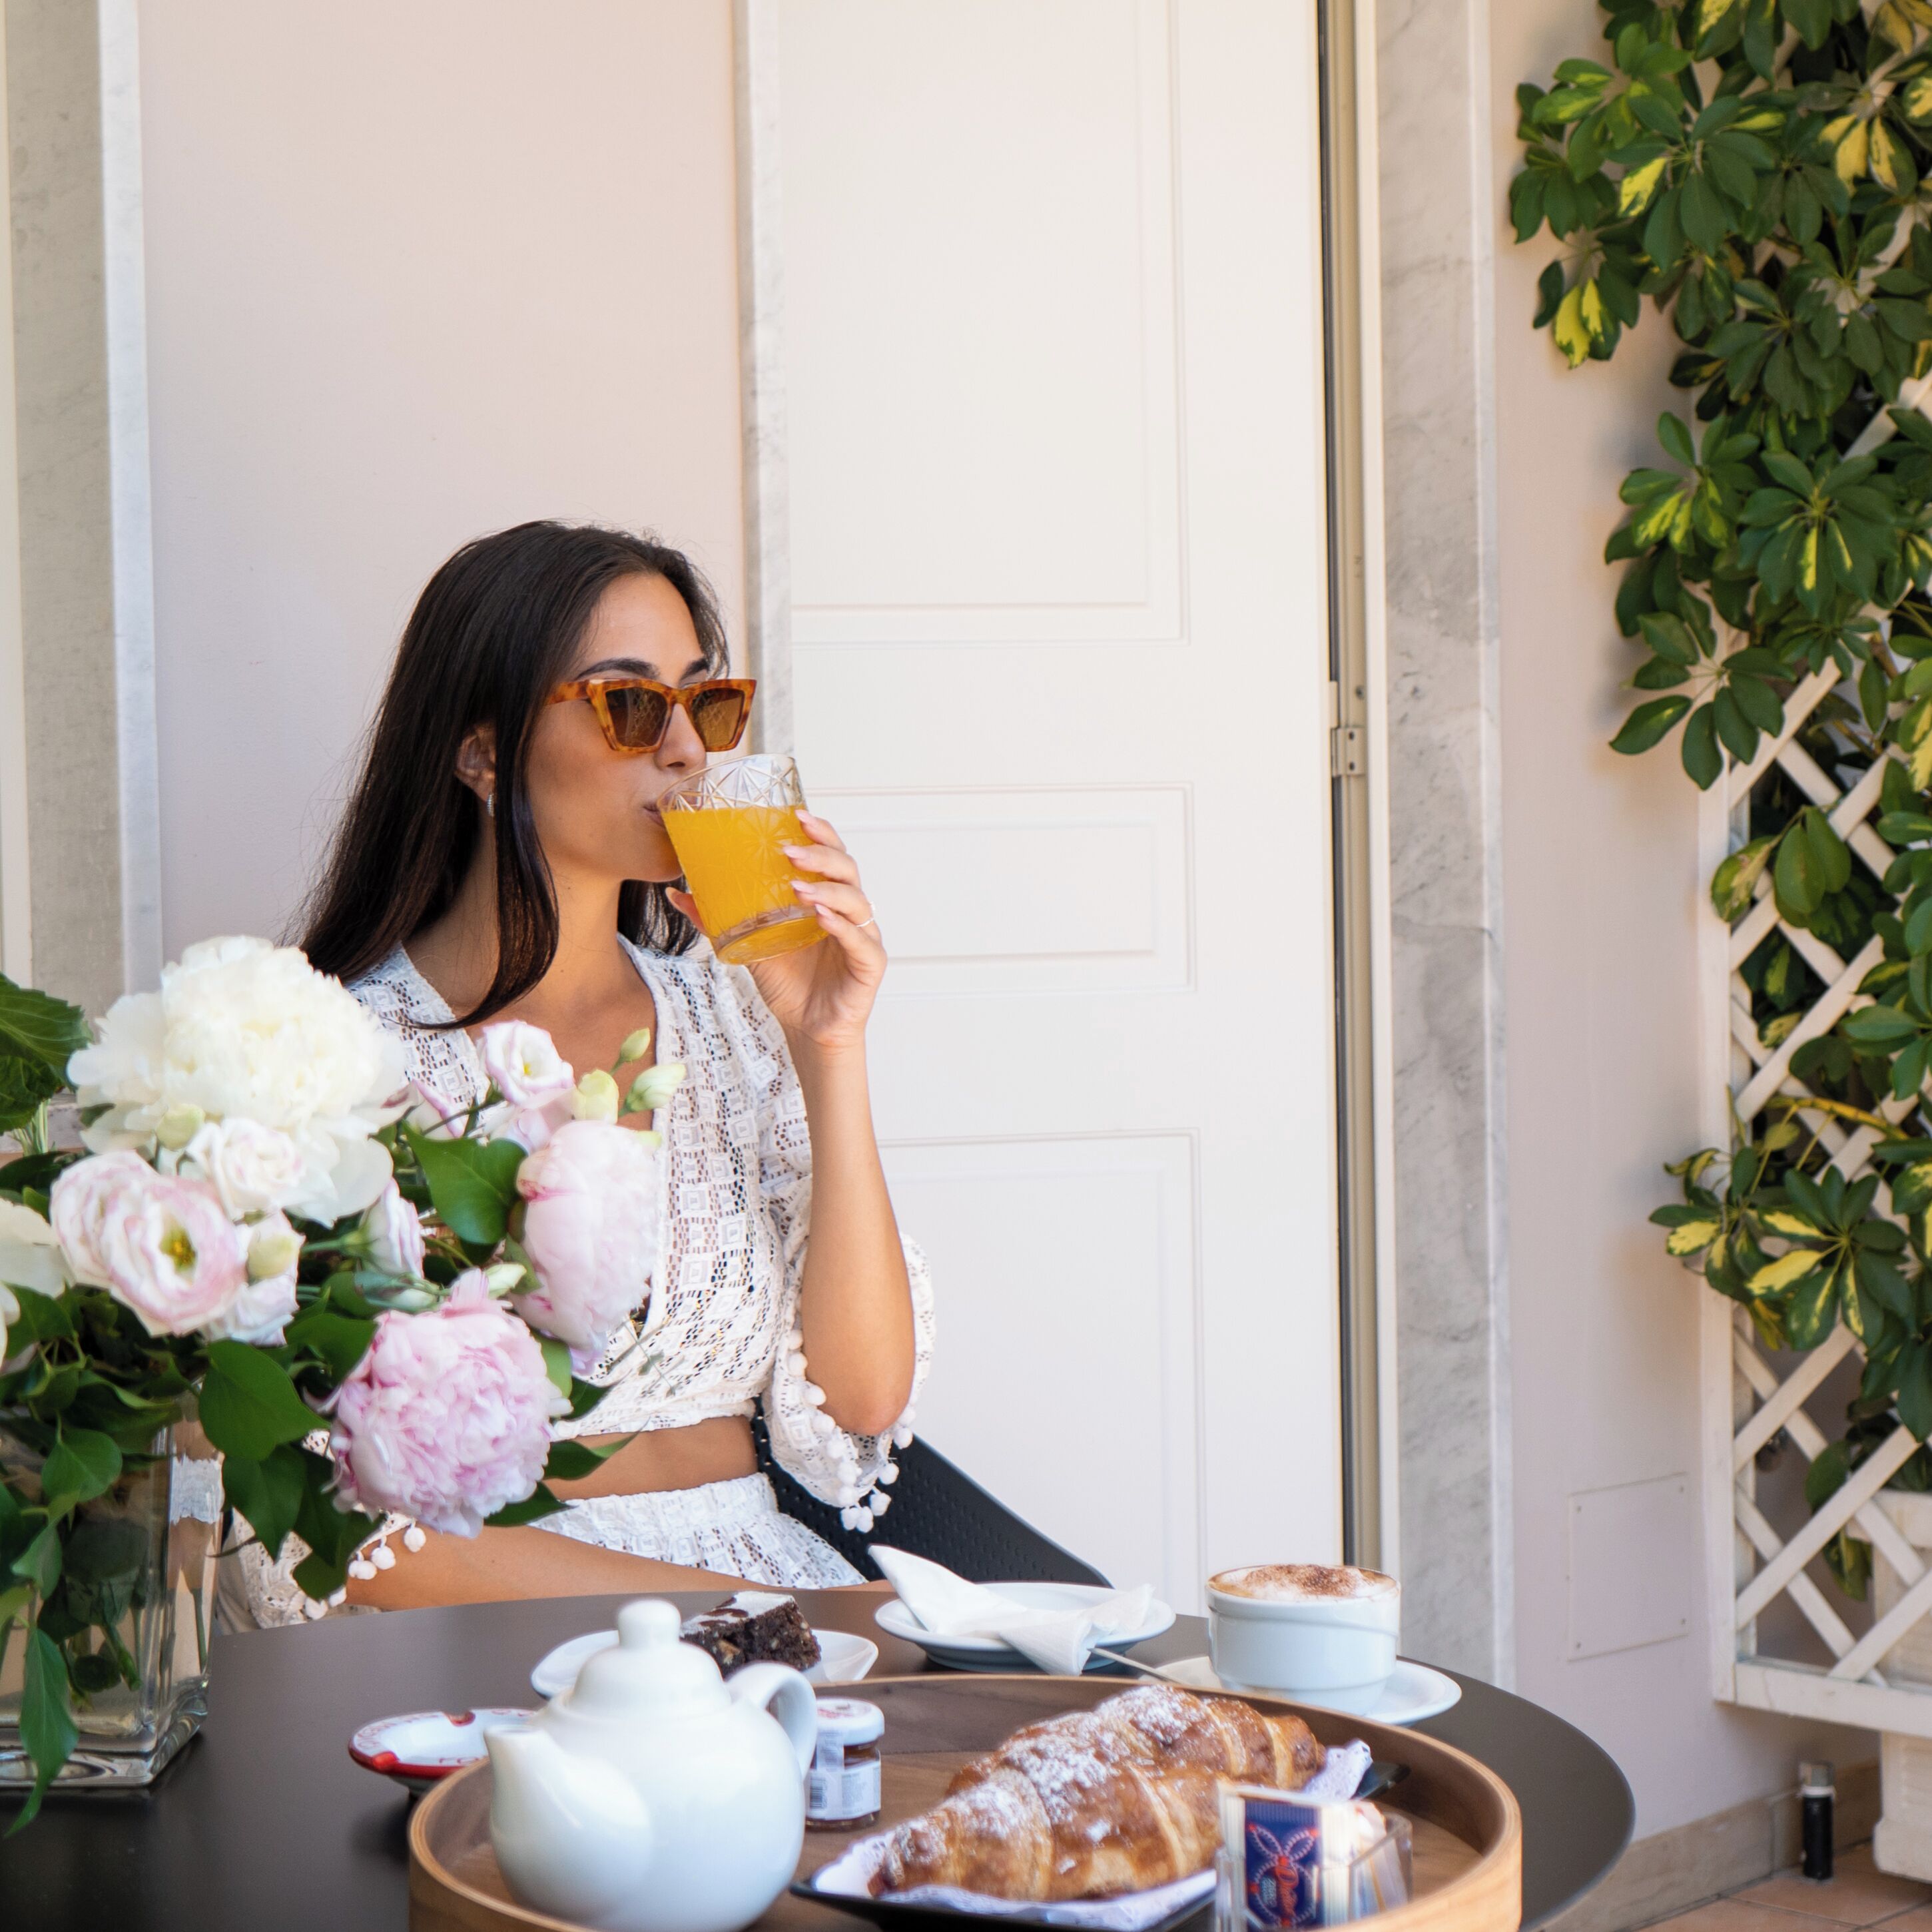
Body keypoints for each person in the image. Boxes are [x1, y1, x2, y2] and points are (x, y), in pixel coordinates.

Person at [228, 521, 931, 1625]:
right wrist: (740, 1621)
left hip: (774, 1607)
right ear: (483, 752)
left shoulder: (736, 1018)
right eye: (630, 704)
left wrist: (826, 1044)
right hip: (502, 1635)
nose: (689, 751)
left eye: (706, 702)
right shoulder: (329, 1062)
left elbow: (863, 1393)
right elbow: (327, 1522)